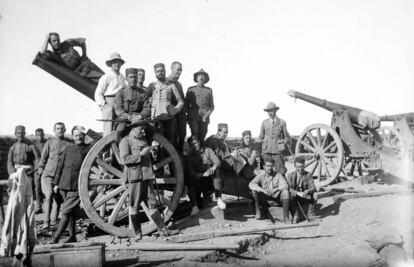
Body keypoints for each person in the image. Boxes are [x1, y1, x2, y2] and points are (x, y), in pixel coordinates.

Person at [50, 126, 93, 244]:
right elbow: (60, 167)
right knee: (71, 212)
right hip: (63, 185)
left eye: (81, 135)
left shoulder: (88, 148)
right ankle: (72, 236)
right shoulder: (68, 149)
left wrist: (87, 131)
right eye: (76, 135)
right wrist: (56, 183)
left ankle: (55, 239)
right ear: (72, 136)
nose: (78, 137)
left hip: (76, 185)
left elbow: (99, 139)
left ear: (84, 135)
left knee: (65, 212)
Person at [38, 122, 72, 230]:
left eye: (61, 128)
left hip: (60, 176)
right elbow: (43, 159)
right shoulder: (49, 143)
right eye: (57, 128)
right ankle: (46, 222)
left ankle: (54, 222)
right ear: (54, 130)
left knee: (58, 199)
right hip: (48, 175)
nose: (59, 130)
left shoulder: (68, 144)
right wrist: (40, 169)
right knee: (49, 195)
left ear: (65, 130)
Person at [40, 32, 104, 83]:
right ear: (50, 43)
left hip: (87, 64)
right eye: (54, 41)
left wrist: (84, 55)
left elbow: (82, 42)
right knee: (104, 81)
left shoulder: (67, 43)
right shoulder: (55, 55)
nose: (57, 42)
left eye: (58, 40)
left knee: (107, 78)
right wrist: (47, 37)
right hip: (80, 72)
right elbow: (42, 52)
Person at [147, 63, 183, 143]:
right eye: (158, 71)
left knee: (168, 141)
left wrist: (175, 109)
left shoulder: (171, 85)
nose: (160, 73)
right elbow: (144, 100)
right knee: (157, 140)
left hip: (168, 118)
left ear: (165, 71)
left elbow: (180, 101)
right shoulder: (152, 86)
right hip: (156, 118)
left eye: (162, 71)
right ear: (155, 73)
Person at [186, 136, 224, 212]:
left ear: (199, 142)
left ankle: (219, 198)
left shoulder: (208, 150)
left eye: (195, 143)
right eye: (192, 144)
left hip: (211, 181)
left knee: (217, 171)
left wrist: (213, 168)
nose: (194, 145)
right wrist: (202, 175)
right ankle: (195, 207)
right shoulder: (190, 157)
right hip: (200, 181)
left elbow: (218, 162)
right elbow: (192, 173)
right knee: (189, 182)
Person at [94, 52, 127, 136]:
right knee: (108, 127)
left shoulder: (122, 77)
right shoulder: (106, 77)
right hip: (109, 102)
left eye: (119, 62)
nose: (117, 64)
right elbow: (98, 93)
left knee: (121, 125)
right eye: (115, 62)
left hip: (120, 103)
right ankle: (107, 146)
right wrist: (104, 105)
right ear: (111, 64)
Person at [248, 157, 290, 222]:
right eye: (268, 166)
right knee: (254, 191)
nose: (269, 168)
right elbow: (251, 184)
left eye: (271, 166)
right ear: (264, 166)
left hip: (276, 199)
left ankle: (286, 217)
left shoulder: (278, 175)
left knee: (285, 192)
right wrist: (261, 190)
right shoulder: (261, 175)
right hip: (265, 199)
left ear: (273, 166)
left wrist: (276, 189)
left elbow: (285, 185)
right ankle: (258, 212)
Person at [257, 102, 290, 173]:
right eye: (268, 111)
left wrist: (282, 145)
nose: (269, 113)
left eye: (271, 110)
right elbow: (260, 136)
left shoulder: (282, 122)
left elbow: (286, 137)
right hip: (266, 151)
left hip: (278, 152)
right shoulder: (264, 123)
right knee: (267, 172)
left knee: (281, 171)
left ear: (275, 110)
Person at [186, 69, 214, 144]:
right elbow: (186, 105)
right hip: (193, 115)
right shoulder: (191, 89)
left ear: (205, 79)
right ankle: (194, 149)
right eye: (199, 76)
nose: (201, 78)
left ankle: (195, 147)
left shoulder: (209, 90)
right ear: (196, 78)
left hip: (204, 116)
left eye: (203, 76)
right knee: (195, 133)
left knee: (202, 135)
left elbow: (212, 107)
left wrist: (206, 116)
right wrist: (190, 115)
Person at [285, 157, 317, 223]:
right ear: (295, 166)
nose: (300, 169)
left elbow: (313, 187)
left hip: (304, 196)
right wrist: (297, 193)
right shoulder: (290, 175)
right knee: (288, 194)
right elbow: (287, 188)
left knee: (315, 194)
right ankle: (295, 214)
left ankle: (310, 213)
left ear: (304, 165)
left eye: (302, 166)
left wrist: (307, 191)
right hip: (294, 197)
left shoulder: (308, 175)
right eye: (298, 167)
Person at [167, 62, 187, 153]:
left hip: (180, 114)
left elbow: (182, 99)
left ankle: (179, 155)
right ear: (172, 69)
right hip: (170, 113)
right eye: (177, 70)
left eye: (181, 70)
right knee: (172, 136)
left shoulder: (179, 84)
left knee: (182, 134)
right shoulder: (165, 82)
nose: (179, 72)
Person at [33, 128, 47, 214]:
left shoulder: (47, 144)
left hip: (46, 169)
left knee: (48, 188)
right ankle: (39, 206)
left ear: (44, 134)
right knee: (37, 188)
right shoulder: (34, 146)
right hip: (36, 169)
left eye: (41, 134)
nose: (40, 136)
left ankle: (51, 206)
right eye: (38, 135)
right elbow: (33, 158)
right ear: (36, 136)